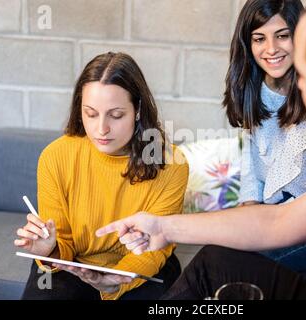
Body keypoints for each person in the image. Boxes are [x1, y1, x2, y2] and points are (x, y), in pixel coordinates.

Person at [96, 0, 306, 300]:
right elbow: (281, 220)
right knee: (215, 262)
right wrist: (164, 227)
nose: (300, 90)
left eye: (304, 77)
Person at [14, 52, 189, 300]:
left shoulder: (171, 164)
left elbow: (154, 250)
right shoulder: (56, 156)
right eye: (91, 113)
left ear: (138, 110)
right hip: (72, 263)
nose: (101, 129)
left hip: (141, 266)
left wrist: (115, 281)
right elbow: (62, 241)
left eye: (116, 115)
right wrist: (50, 250)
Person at [223, 0, 306, 273]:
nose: (271, 49)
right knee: (217, 255)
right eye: (259, 38)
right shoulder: (251, 91)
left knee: (237, 268)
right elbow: (251, 169)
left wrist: (271, 225)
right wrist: (248, 216)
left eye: (282, 36)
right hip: (267, 215)